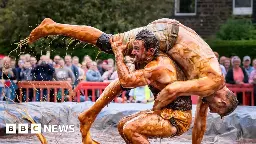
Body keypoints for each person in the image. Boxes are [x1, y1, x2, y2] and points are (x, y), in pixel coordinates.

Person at [28, 18, 238, 144]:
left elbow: (200, 124)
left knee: (128, 78)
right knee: (110, 42)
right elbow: (172, 89)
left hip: (171, 39)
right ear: (222, 102)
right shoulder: (214, 81)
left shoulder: (209, 90)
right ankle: (52, 27)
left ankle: (89, 115)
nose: (208, 109)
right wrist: (157, 109)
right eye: (215, 110)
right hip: (169, 36)